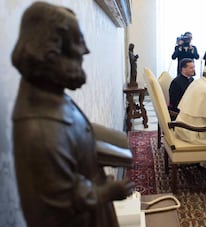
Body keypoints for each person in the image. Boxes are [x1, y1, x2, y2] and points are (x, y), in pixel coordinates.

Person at [11, 2, 135, 226]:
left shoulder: (49, 94)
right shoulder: (40, 130)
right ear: (51, 51)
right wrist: (108, 191)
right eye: (78, 42)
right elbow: (61, 200)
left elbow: (75, 129)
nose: (85, 50)